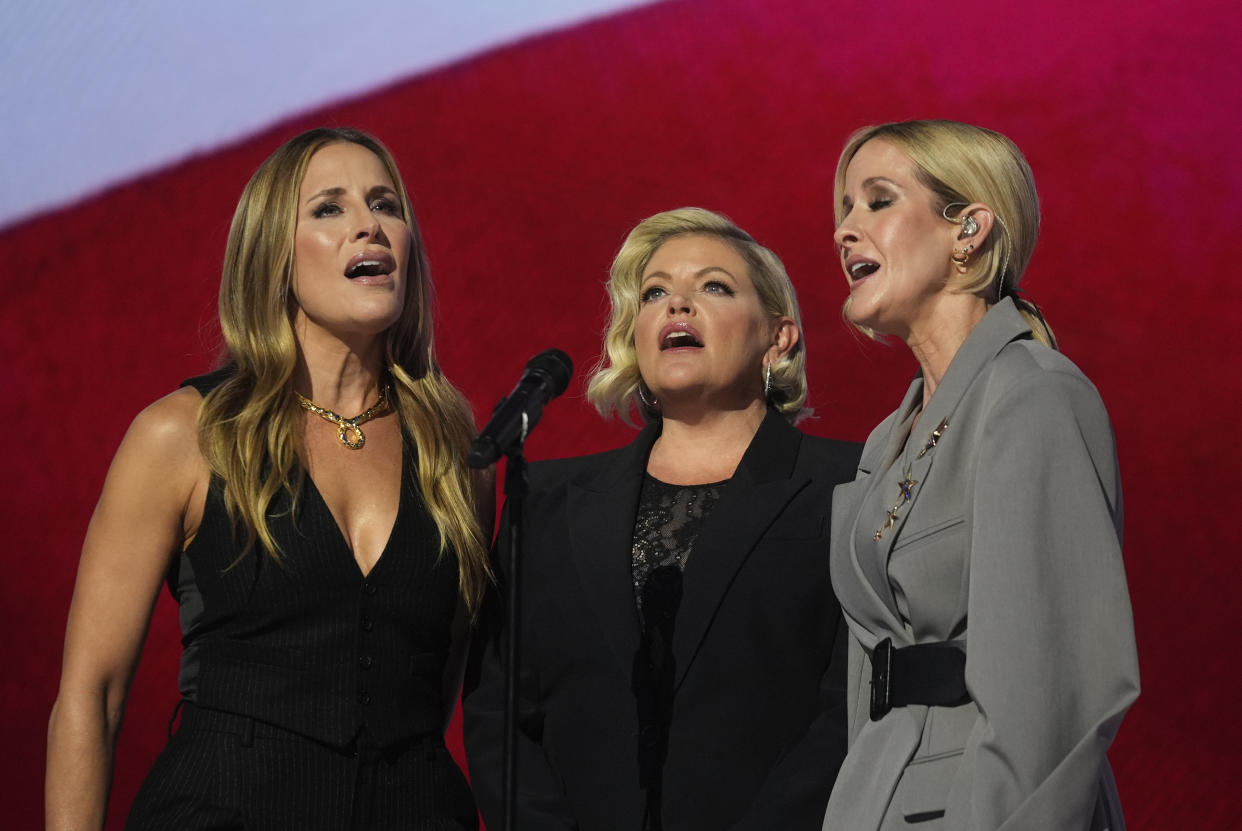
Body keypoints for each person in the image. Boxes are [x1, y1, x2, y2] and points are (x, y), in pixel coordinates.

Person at [45, 127, 490, 830]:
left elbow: (431, 689)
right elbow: (90, 696)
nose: (369, 225)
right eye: (329, 209)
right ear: (272, 255)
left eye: (385, 204)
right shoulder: (184, 435)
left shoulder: (456, 454)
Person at [462, 207, 861, 830]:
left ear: (777, 337)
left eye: (713, 287)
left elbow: (852, 712)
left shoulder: (850, 488)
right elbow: (501, 717)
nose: (677, 305)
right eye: (655, 293)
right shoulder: (549, 505)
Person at [822, 120, 1140, 830]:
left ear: (969, 229)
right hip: (875, 802)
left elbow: (1056, 702)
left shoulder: (1033, 395)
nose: (846, 230)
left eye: (877, 201)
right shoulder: (883, 442)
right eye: (844, 208)